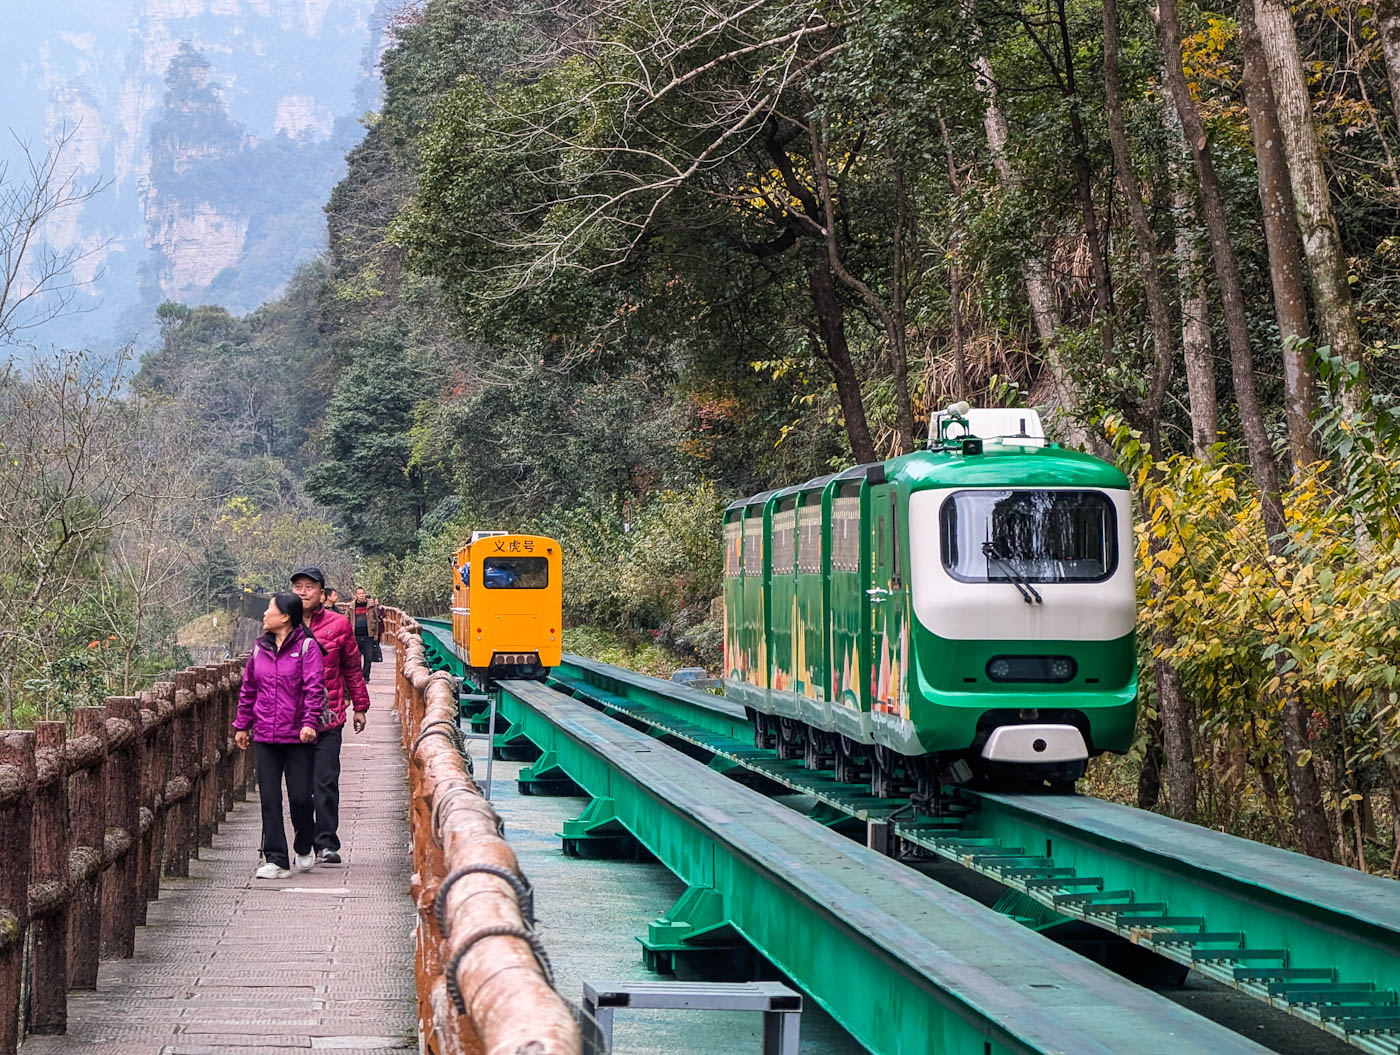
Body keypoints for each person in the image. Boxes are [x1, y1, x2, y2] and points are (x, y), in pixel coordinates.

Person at [233, 593, 325, 880]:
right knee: (270, 798)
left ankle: (304, 841)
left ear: (285, 616)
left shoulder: (307, 648)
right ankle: (276, 859)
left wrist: (310, 723)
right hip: (265, 735)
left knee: (300, 798)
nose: (264, 615)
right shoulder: (259, 649)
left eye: (269, 610)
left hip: (299, 735)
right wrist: (241, 725)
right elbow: (249, 689)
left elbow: (314, 688)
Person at [290, 567, 369, 865]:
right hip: (293, 720)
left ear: (322, 593)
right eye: (297, 586)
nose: (302, 592)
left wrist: (360, 706)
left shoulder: (338, 625)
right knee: (299, 787)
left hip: (329, 716)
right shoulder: (283, 623)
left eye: (309, 587)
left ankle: (326, 842)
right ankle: (303, 839)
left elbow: (351, 666)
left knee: (325, 780)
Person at [352, 587, 380, 682]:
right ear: (356, 595)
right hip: (356, 635)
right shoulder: (352, 606)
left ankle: (366, 677)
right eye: (359, 594)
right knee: (356, 658)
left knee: (368, 657)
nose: (361, 595)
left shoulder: (370, 605)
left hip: (368, 635)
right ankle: (357, 676)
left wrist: (376, 634)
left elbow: (376, 620)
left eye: (363, 593)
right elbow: (347, 619)